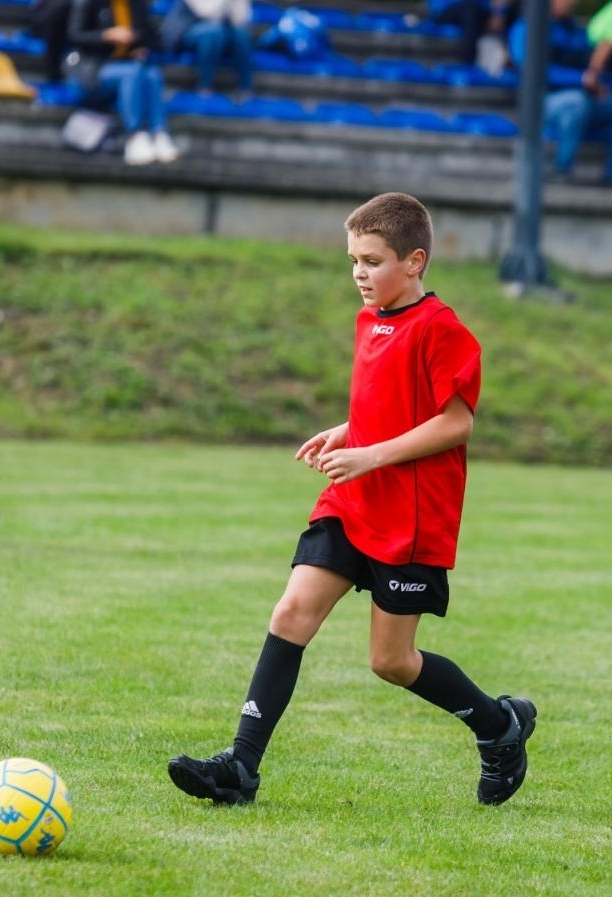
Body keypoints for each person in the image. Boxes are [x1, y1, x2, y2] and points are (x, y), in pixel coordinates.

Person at [167, 193, 538, 807]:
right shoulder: (372, 320)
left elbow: (454, 424)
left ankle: (498, 726)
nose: (359, 275)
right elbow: (391, 402)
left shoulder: (442, 329)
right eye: (353, 261)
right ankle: (240, 767)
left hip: (411, 521)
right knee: (291, 614)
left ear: (415, 261)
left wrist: (369, 453)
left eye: (372, 261)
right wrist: (348, 431)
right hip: (353, 500)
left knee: (391, 662)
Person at [510, 0, 612, 187]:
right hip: (542, 102)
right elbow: (531, 71)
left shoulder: (575, 30)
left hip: (586, 99)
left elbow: (591, 66)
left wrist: (601, 83)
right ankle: (562, 168)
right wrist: (579, 80)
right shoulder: (526, 28)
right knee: (576, 101)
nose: (570, 3)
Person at [66, 0, 180, 165]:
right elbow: (74, 34)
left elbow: (154, 39)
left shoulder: (137, 5)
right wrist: (106, 35)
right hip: (94, 69)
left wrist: (141, 47)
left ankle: (159, 133)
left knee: (152, 74)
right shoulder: (89, 3)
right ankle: (135, 135)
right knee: (132, 73)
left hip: (129, 65)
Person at [167, 0, 255, 94]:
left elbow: (240, 20)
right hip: (188, 31)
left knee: (241, 35)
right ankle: (204, 87)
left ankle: (246, 90)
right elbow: (208, 14)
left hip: (223, 33)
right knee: (213, 33)